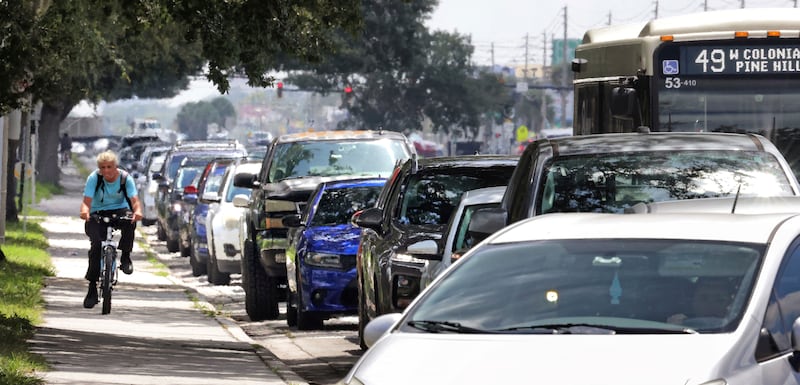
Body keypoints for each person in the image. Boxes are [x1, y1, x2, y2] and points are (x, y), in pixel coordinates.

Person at [79, 150, 143, 308]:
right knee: (96, 247)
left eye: (109, 167)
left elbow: (134, 200)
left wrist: (137, 211)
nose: (106, 171)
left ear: (116, 166)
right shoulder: (94, 178)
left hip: (120, 211)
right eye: (102, 167)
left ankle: (126, 256)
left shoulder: (125, 178)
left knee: (130, 222)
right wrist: (85, 211)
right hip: (98, 213)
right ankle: (92, 288)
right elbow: (86, 201)